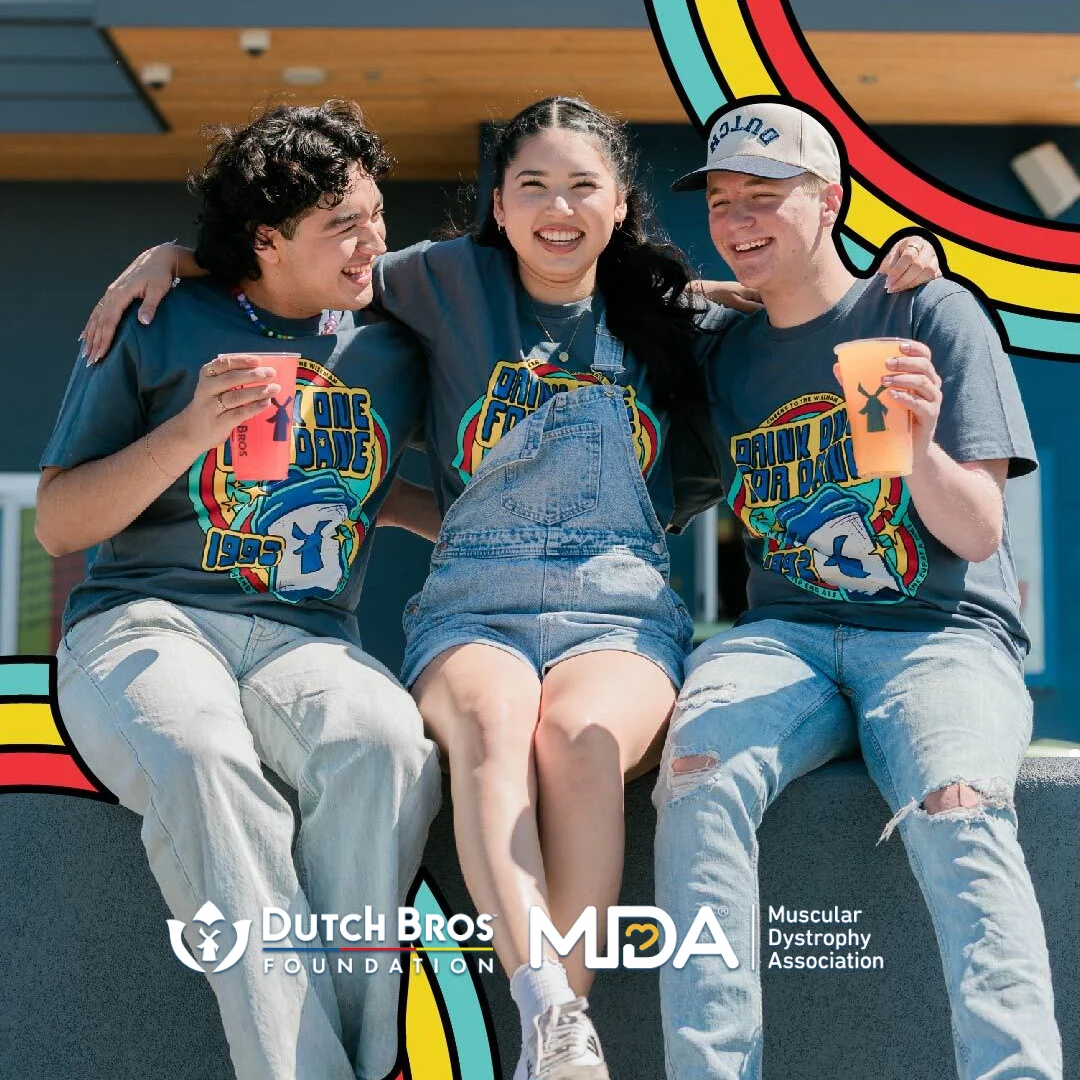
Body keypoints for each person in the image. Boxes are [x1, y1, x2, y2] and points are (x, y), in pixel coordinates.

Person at [79, 95, 938, 1080]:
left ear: (619, 206)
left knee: (575, 742)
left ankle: (554, 1036)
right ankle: (548, 1009)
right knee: (492, 730)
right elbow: (298, 262)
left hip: (619, 613)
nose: (557, 206)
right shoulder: (440, 281)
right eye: (532, 184)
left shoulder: (681, 317)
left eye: (584, 186)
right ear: (496, 202)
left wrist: (901, 262)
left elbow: (810, 310)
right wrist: (172, 259)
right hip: (471, 608)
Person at [655, 99, 1062, 1080]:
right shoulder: (726, 349)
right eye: (721, 201)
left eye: (766, 197)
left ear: (830, 198)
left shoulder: (924, 311)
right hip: (784, 635)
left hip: (942, 632)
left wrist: (916, 446)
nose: (740, 219)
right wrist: (731, 286)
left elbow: (976, 531)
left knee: (959, 805)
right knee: (695, 785)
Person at [37, 101, 442, 1080]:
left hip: (309, 635)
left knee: (386, 748)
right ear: (268, 239)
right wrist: (187, 431)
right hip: (146, 617)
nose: (372, 243)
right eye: (344, 224)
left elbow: (566, 277)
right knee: (201, 757)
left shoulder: (397, 334)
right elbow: (59, 522)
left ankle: (354, 1061)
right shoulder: (162, 317)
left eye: (377, 218)